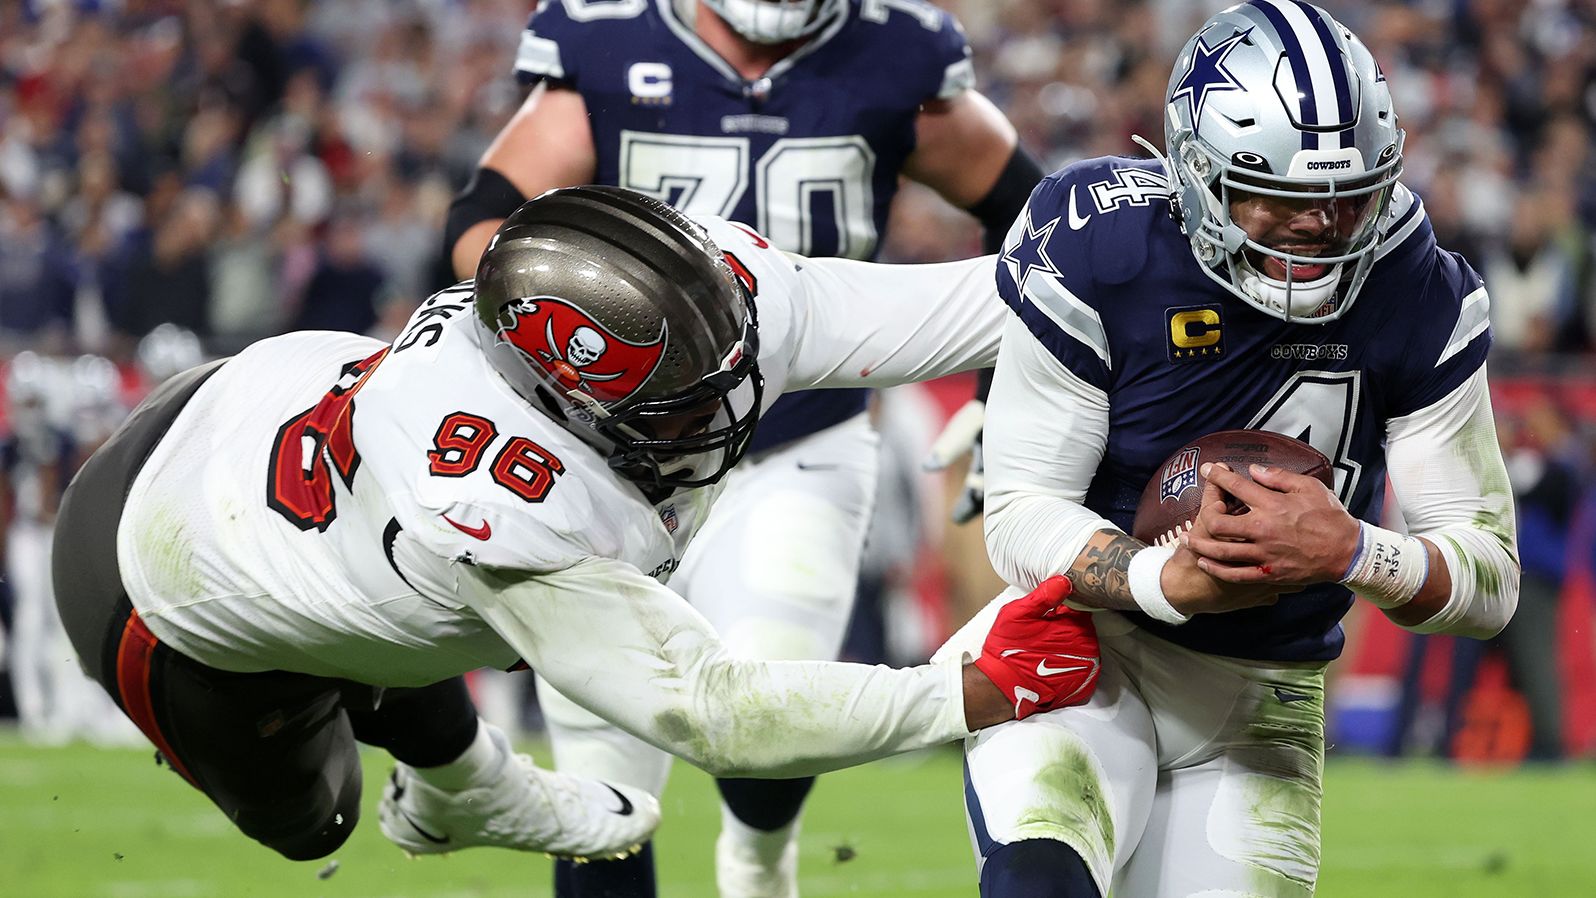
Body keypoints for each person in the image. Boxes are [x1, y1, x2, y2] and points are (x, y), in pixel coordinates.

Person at [52, 186, 1103, 867]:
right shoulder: (507, 495)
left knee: (409, 598)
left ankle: (440, 764)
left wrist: (1149, 268)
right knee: (312, 818)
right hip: (153, 578)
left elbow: (983, 304)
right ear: (572, 407)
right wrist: (968, 688)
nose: (729, 412)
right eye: (687, 406)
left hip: (245, 411)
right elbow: (718, 714)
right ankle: (480, 787)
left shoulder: (704, 307)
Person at [443, 2, 1044, 894]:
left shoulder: (896, 50)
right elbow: (482, 232)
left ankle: (760, 859)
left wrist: (1008, 394)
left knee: (769, 727)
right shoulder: (610, 39)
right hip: (613, 458)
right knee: (599, 786)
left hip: (796, 440)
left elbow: (1033, 216)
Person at [936, 4, 1522, 896]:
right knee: (1039, 881)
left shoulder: (1421, 288)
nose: (1319, 230)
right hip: (1084, 649)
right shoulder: (1107, 247)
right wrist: (1158, 578)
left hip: (1264, 697)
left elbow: (1493, 578)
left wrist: (1359, 551)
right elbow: (1020, 513)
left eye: (1346, 196)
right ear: (1194, 174)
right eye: (1281, 200)